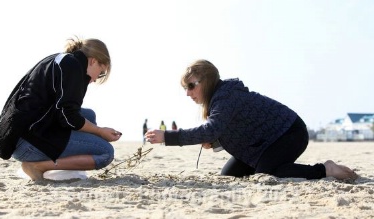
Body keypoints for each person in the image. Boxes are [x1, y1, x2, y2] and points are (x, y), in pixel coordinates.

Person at [145, 59, 358, 181]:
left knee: (267, 174)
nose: (188, 93)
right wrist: (216, 141)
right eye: (185, 88)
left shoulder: (225, 96)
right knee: (229, 176)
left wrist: (167, 136)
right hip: (261, 145)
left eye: (191, 86)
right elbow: (228, 129)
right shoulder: (218, 100)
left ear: (207, 82)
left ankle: (326, 169)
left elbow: (210, 129)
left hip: (288, 132)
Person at [0, 36, 122, 181]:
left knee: (89, 116)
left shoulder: (60, 59)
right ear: (93, 60)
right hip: (27, 144)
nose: (95, 79)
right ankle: (37, 166)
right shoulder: (74, 67)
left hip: (18, 135)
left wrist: (98, 132)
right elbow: (68, 117)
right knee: (105, 152)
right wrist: (100, 131)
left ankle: (58, 169)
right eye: (100, 73)